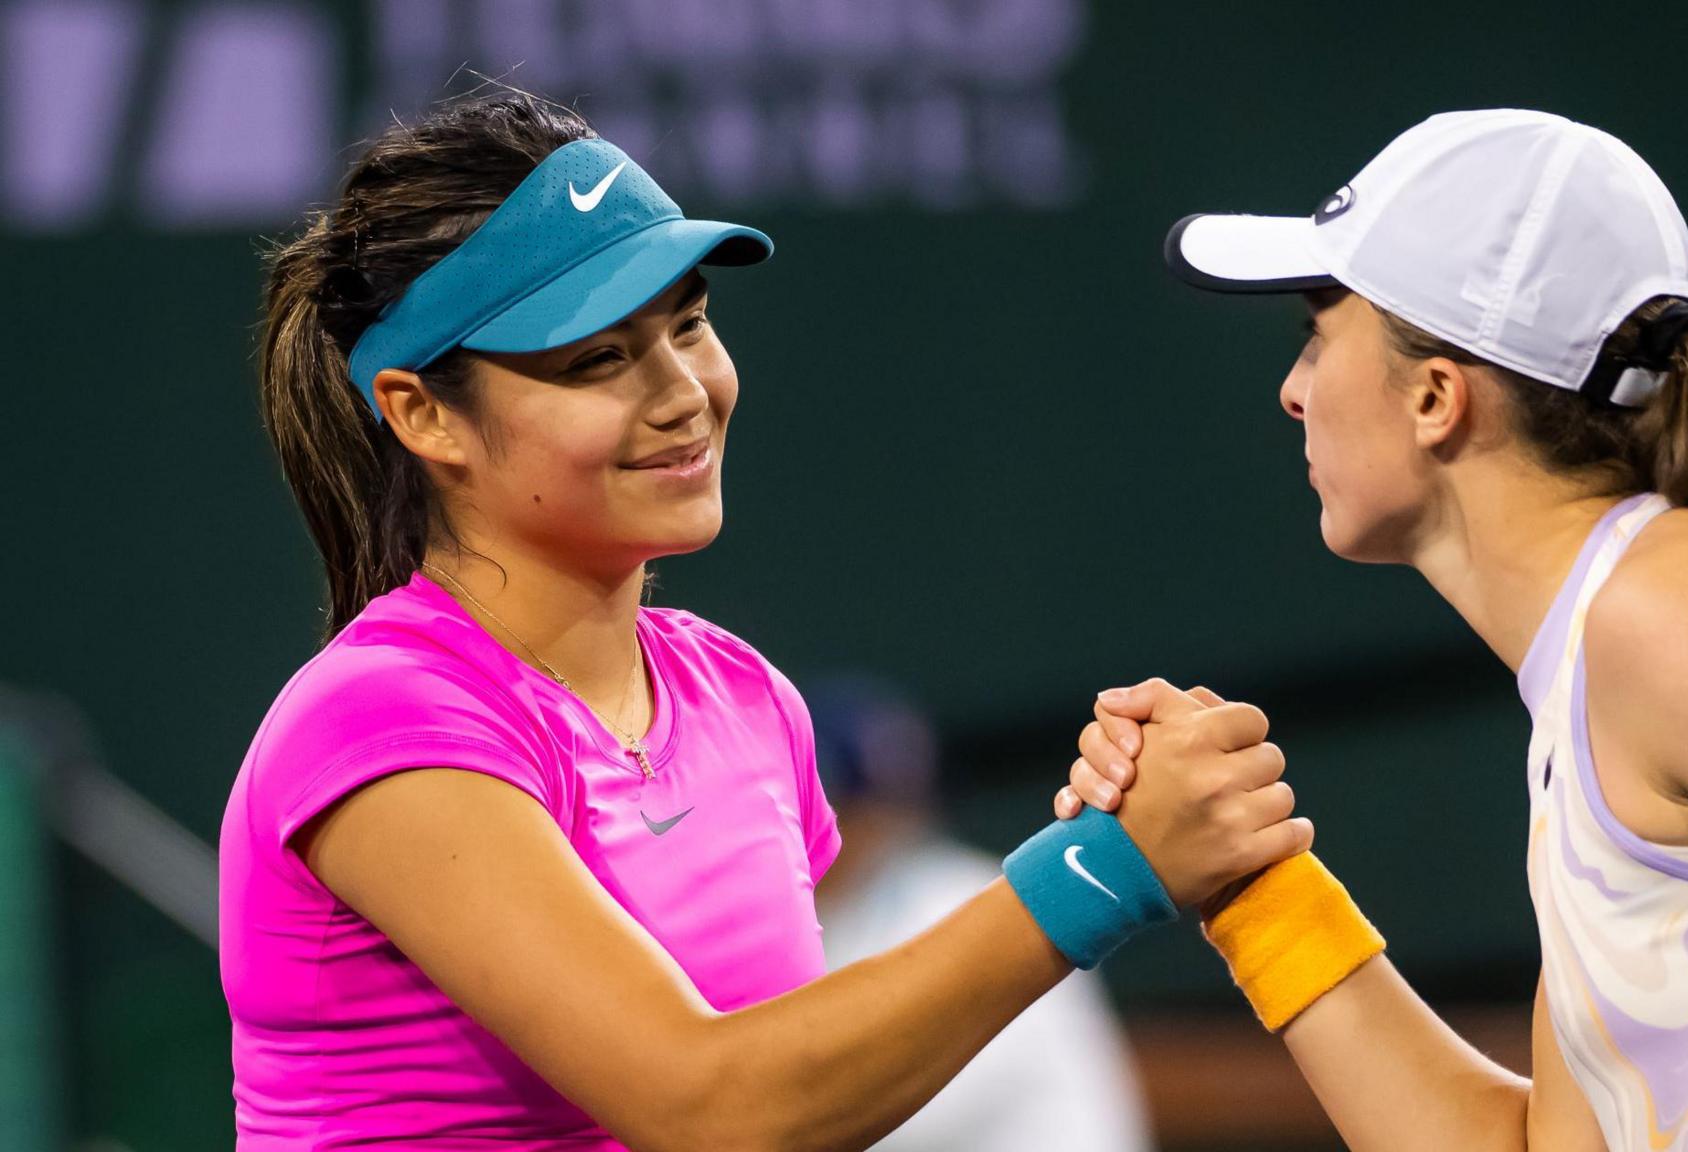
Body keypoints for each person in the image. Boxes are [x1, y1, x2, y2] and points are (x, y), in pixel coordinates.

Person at [217, 91, 1313, 1151]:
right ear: (421, 413)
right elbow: (715, 1111)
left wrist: (1121, 811)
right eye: (597, 357)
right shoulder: (379, 718)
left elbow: (814, 1086)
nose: (680, 391)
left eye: (687, 324)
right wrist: (1103, 866)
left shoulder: (740, 696)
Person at [1061, 109, 1688, 1151]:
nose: (1291, 391)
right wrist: (1247, 885)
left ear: (1436, 396)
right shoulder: (1603, 657)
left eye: (1316, 335)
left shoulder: (1683, 611)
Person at [807, 676, 1155, 1152]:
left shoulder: (971, 896)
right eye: (834, 804)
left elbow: (880, 1110)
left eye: (866, 808)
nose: (859, 826)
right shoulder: (809, 912)